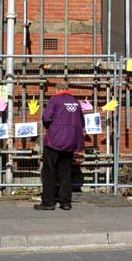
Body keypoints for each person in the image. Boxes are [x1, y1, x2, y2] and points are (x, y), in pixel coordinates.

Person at [34, 80, 85, 211]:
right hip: (71, 141)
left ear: (57, 90)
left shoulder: (55, 100)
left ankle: (48, 202)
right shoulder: (75, 101)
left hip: (54, 141)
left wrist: (51, 129)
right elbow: (82, 122)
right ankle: (66, 202)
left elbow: (46, 118)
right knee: (66, 172)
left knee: (49, 172)